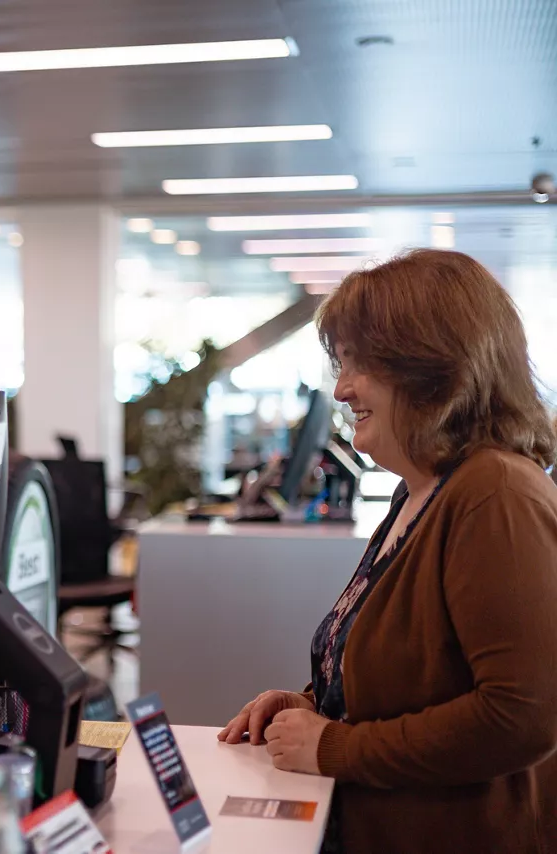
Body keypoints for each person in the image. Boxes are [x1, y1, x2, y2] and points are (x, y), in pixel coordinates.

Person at [217, 249, 557, 853]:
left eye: (360, 365)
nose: (343, 389)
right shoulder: (420, 492)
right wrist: (313, 703)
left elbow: (523, 716)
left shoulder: (495, 495)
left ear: (434, 369)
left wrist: (334, 746)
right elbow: (421, 674)